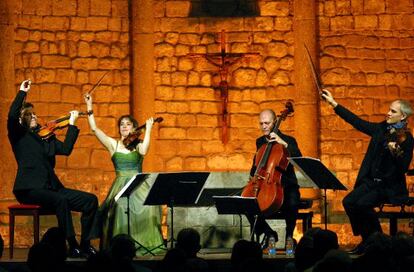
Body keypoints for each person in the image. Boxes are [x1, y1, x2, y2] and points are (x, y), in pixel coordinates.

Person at [7, 80, 99, 258]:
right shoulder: (19, 135)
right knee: (60, 200)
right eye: (29, 115)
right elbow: (11, 115)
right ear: (21, 120)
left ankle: (86, 244)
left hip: (52, 187)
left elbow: (65, 150)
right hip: (29, 189)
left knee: (90, 200)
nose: (34, 117)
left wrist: (72, 124)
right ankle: (72, 245)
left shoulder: (46, 137)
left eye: (35, 115)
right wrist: (22, 92)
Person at [321, 90, 414, 254]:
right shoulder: (381, 129)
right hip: (371, 183)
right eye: (389, 109)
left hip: (388, 187)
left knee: (362, 205)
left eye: (393, 111)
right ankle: (369, 239)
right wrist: (334, 104)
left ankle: (375, 243)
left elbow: (403, 168)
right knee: (349, 202)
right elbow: (358, 122)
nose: (388, 113)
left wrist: (395, 152)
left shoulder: (406, 138)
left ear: (403, 117)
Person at [84, 94, 164, 253]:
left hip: (138, 185)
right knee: (120, 206)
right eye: (121, 124)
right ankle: (120, 248)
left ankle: (145, 244)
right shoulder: (113, 145)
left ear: (134, 128)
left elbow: (144, 150)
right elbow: (94, 129)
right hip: (121, 185)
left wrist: (148, 130)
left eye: (128, 124)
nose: (124, 126)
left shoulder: (137, 144)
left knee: (150, 206)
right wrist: (89, 106)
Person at [245, 109, 302, 249]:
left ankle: (289, 237)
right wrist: (254, 174)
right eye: (261, 123)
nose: (264, 126)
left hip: (287, 185)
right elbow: (256, 165)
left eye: (267, 123)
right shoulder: (259, 142)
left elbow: (299, 158)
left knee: (293, 202)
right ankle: (269, 233)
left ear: (275, 122)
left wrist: (283, 143)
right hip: (266, 183)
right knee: (247, 204)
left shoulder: (289, 140)